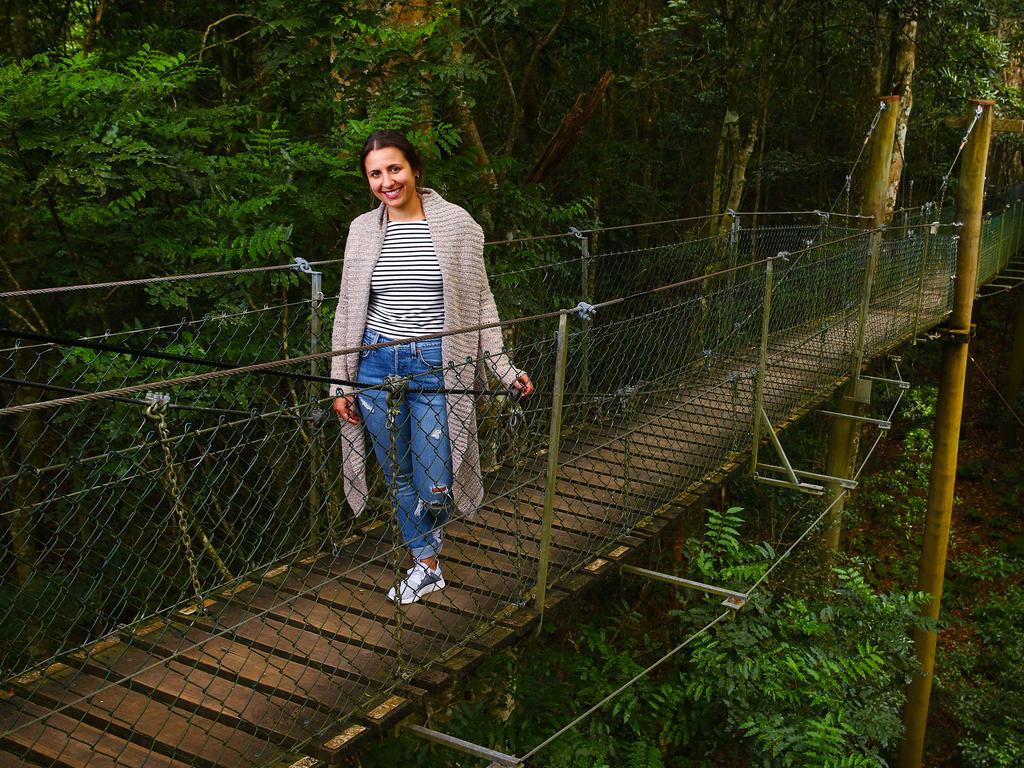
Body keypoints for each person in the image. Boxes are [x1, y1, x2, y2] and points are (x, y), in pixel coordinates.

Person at [331, 131, 533, 605]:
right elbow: (346, 308)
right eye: (375, 174)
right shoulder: (362, 231)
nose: (386, 181)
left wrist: (503, 369)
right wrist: (341, 379)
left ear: (415, 169)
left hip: (437, 368)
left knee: (434, 480)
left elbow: (480, 302)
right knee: (398, 474)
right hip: (375, 365)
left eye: (394, 169)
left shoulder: (457, 225)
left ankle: (431, 521)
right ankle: (426, 564)